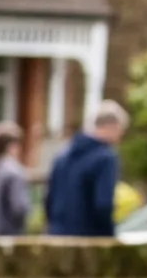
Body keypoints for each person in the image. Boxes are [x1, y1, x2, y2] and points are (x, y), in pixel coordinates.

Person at [44, 101, 129, 237]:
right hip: (88, 240)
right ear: (111, 126)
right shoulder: (105, 158)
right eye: (120, 131)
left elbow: (49, 200)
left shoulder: (62, 155)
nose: (120, 138)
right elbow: (103, 205)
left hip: (57, 236)